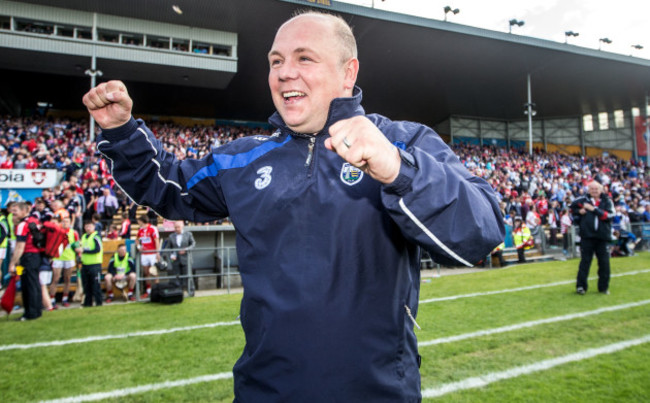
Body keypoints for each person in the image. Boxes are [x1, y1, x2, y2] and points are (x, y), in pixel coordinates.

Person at [83, 11, 504, 402]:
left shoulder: (403, 142)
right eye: (276, 60)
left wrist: (398, 169)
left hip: (376, 393)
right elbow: (168, 185)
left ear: (347, 73)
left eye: (305, 58)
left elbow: (480, 232)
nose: (285, 72)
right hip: (264, 391)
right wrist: (122, 132)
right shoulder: (241, 160)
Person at [570, 181, 614, 295]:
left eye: (596, 189)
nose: (594, 191)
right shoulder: (583, 200)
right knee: (585, 262)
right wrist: (579, 211)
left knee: (604, 263)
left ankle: (603, 287)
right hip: (587, 236)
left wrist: (593, 209)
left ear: (601, 190)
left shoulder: (607, 201)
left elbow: (609, 216)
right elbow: (571, 208)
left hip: (602, 236)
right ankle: (581, 286)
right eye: (592, 189)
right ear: (588, 190)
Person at [8, 202, 43, 320]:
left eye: (15, 210)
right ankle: (37, 310)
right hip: (36, 256)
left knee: (28, 285)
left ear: (24, 211)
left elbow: (20, 246)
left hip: (27, 257)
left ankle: (30, 313)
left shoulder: (23, 225)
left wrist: (12, 263)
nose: (13, 213)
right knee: (34, 283)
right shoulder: (34, 220)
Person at [50, 215, 79, 307]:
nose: (65, 223)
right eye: (63, 221)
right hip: (58, 258)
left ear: (70, 223)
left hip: (69, 258)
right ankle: (52, 299)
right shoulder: (57, 231)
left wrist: (78, 255)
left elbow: (76, 245)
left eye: (67, 221)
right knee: (55, 279)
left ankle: (65, 298)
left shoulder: (73, 233)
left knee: (67, 279)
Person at [75, 220, 103, 307]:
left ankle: (99, 303)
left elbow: (97, 249)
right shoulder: (83, 237)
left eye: (90, 226)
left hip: (95, 264)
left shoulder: (96, 237)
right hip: (85, 264)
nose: (88, 228)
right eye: (86, 226)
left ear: (94, 227)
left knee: (95, 285)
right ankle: (88, 303)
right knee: (86, 285)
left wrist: (84, 251)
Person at [166, 220, 196, 289]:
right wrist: (171, 255)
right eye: (175, 227)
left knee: (188, 275)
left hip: (186, 259)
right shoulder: (171, 236)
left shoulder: (188, 234)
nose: (176, 229)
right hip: (176, 260)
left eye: (178, 227)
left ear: (182, 227)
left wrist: (186, 249)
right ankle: (178, 291)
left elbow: (193, 244)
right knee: (177, 276)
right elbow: (168, 248)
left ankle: (191, 290)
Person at [136, 214, 160, 298]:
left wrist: (157, 252)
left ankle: (156, 290)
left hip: (152, 253)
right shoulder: (140, 230)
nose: (138, 222)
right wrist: (139, 247)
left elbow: (156, 240)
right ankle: (148, 291)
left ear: (142, 221)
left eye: (139, 221)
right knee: (146, 272)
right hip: (144, 254)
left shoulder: (153, 228)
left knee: (154, 272)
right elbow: (137, 240)